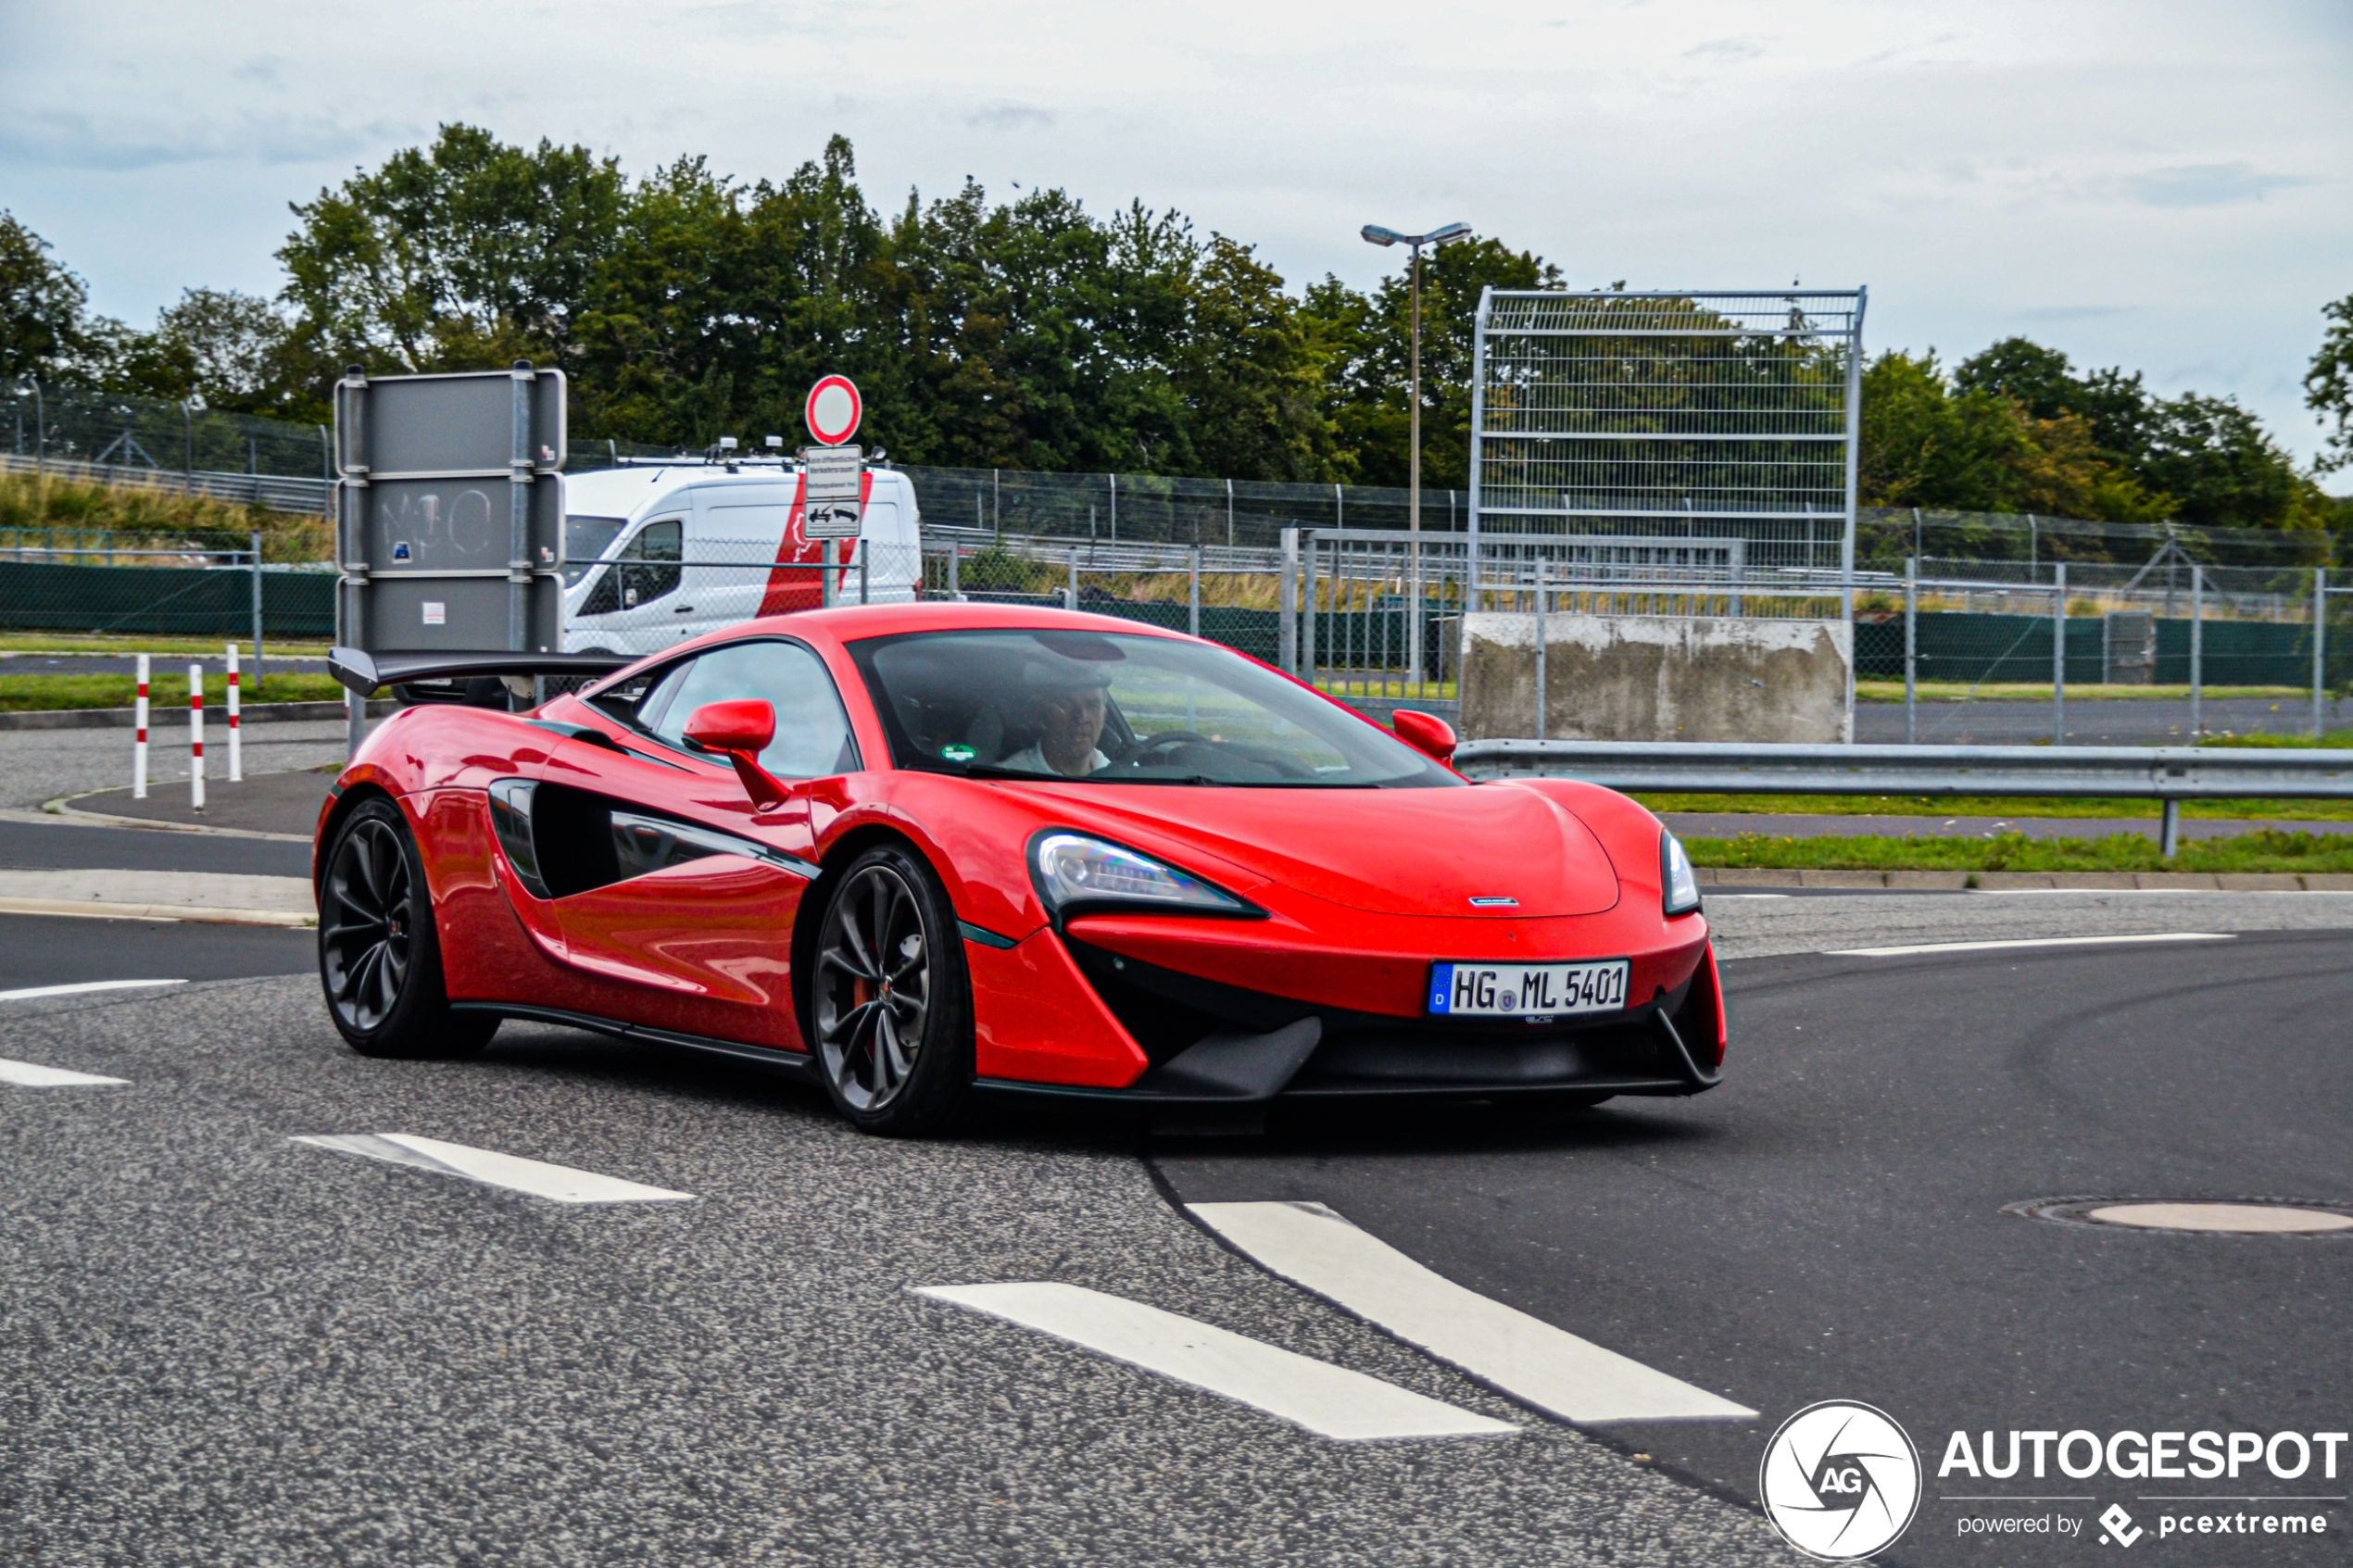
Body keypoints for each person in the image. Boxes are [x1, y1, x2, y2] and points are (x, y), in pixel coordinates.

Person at [998, 666, 1112, 777]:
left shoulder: (1116, 775)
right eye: (1067, 705)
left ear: (1103, 717)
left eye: (1092, 706)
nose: (1081, 718)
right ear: (1044, 714)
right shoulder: (1005, 779)